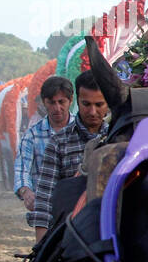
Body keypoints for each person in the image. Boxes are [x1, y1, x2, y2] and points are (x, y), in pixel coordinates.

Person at [31, 70, 109, 243]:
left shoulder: (118, 140)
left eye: (99, 104)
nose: (93, 111)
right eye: (86, 104)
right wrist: (40, 246)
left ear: (108, 104)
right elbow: (45, 198)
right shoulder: (59, 143)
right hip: (72, 235)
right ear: (77, 102)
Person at [15, 75, 74, 228]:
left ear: (70, 101)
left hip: (77, 204)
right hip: (46, 206)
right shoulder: (32, 135)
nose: (57, 108)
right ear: (44, 103)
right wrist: (26, 192)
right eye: (51, 103)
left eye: (61, 102)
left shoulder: (81, 131)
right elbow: (22, 168)